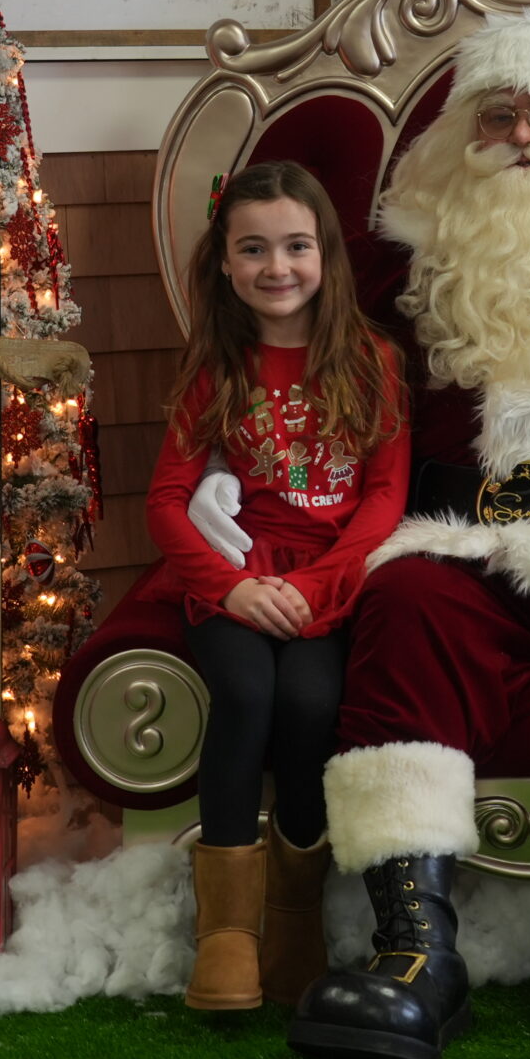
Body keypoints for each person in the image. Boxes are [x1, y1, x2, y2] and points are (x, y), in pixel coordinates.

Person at [196, 11, 530, 1059]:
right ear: (462, 134)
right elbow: (292, 352)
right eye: (499, 115)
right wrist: (223, 461)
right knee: (403, 605)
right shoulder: (399, 259)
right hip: (451, 535)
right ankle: (415, 951)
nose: (523, 135)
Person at [143, 161, 408, 1010]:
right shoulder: (216, 365)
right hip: (234, 581)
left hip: (328, 586)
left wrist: (317, 584)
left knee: (308, 703)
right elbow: (166, 500)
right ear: (225, 262)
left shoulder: (372, 361)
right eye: (253, 249)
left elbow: (384, 498)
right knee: (247, 692)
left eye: (295, 246)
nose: (276, 266)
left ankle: (295, 913)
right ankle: (225, 932)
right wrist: (232, 589)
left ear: (325, 253)